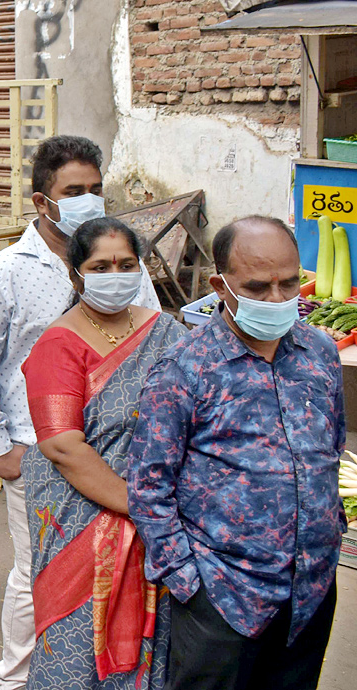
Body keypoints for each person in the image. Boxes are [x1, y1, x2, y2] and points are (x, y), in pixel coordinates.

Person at [0, 135, 163, 690]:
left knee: (121, 565)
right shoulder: (3, 272)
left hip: (126, 453)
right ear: (42, 201)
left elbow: (151, 342)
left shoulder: (121, 265)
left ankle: (102, 672)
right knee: (39, 574)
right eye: (74, 191)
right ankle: (17, 678)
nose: (89, 200)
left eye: (96, 189)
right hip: (41, 451)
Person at [129, 216, 343, 690]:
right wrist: (187, 579)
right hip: (223, 595)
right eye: (259, 287)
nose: (277, 299)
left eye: (289, 284)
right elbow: (148, 486)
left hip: (309, 590)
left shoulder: (319, 352)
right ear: (219, 286)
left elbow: (331, 445)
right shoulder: (185, 369)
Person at [21, 218, 184, 689]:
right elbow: (63, 446)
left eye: (126, 264)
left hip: (159, 512)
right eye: (101, 265)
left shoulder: (164, 331)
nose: (116, 273)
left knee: (159, 635)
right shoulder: (60, 342)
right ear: (77, 275)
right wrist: (141, 506)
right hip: (84, 518)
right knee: (75, 640)